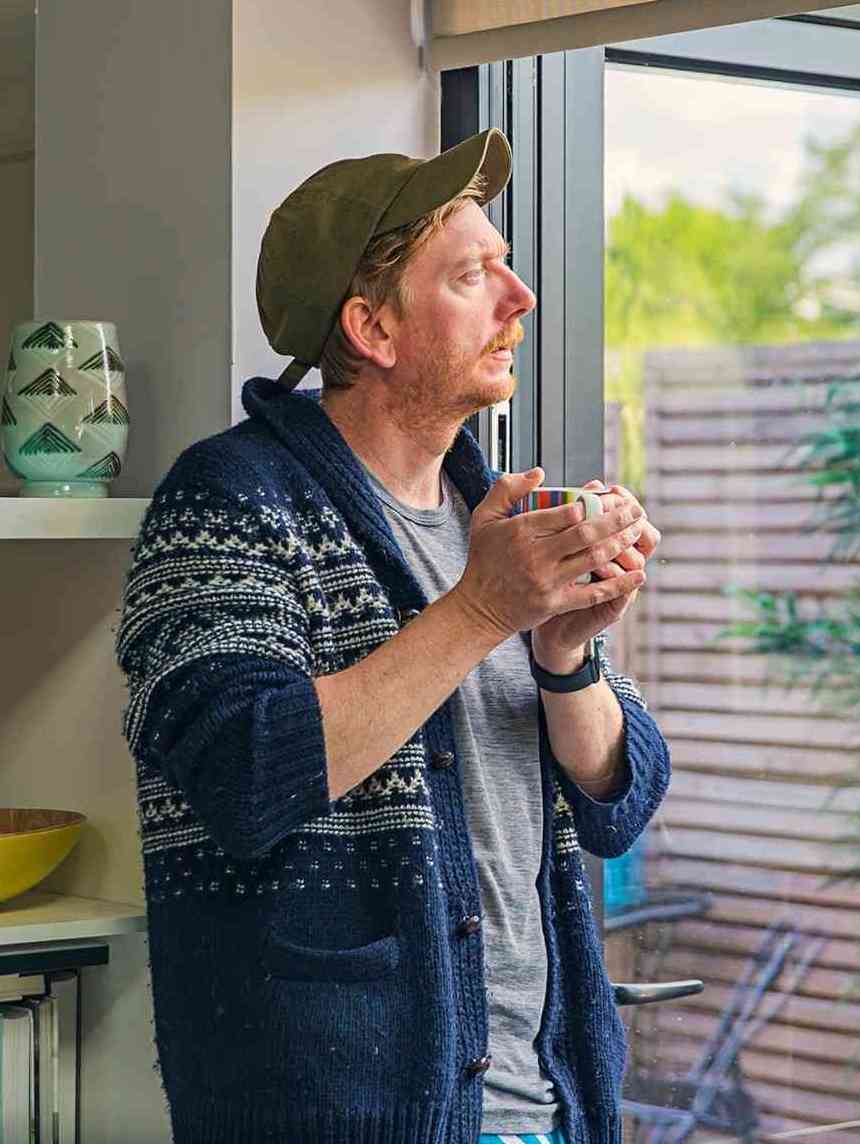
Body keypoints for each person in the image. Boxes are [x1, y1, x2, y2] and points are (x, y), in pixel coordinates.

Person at [115, 127, 670, 1144]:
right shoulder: (230, 498)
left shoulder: (487, 510)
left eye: (506, 264)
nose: (520, 297)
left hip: (548, 1103)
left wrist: (564, 655)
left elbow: (618, 800)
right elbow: (244, 771)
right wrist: (483, 612)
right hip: (338, 1115)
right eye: (472, 275)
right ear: (371, 327)